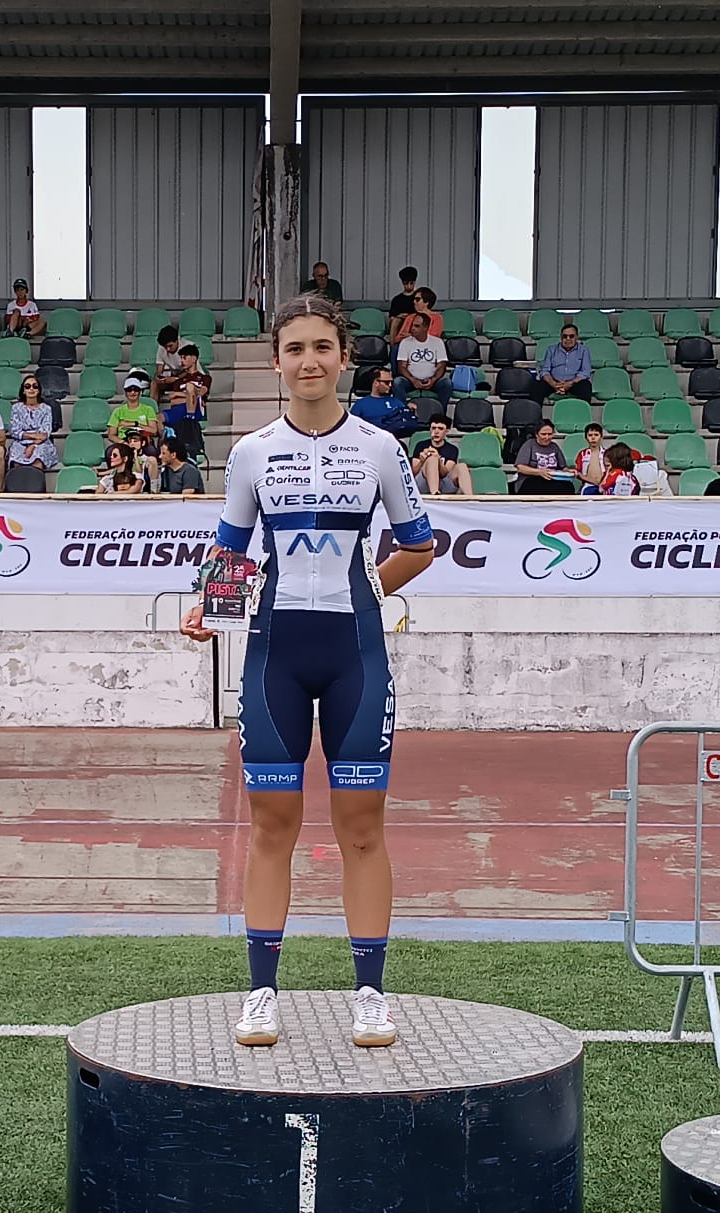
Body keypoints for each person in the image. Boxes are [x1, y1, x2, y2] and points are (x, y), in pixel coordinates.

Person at [180, 292, 437, 1048]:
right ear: (278, 363)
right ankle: (262, 994)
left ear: (343, 357)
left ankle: (370, 994)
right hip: (273, 656)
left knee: (362, 828)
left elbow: (420, 545)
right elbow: (229, 553)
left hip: (356, 655)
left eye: (322, 346)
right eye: (295, 349)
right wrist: (207, 606)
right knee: (271, 825)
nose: (309, 361)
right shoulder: (253, 453)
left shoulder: (380, 448)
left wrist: (367, 592)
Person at [160, 342, 212, 460]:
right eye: (181, 358)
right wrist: (189, 395)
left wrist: (184, 394)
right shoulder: (179, 381)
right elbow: (172, 400)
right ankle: (165, 447)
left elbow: (202, 392)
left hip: (196, 409)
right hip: (178, 410)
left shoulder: (205, 378)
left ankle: (190, 418)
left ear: (194, 359)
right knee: (158, 418)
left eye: (185, 357)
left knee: (189, 386)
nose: (182, 361)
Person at [349, 366, 419, 441]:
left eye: (391, 382)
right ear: (376, 383)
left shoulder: (397, 402)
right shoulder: (360, 405)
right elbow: (352, 427)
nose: (390, 385)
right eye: (386, 382)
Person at [6, 375, 59, 474]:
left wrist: (33, 445)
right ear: (23, 390)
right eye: (27, 386)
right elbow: (15, 431)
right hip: (20, 442)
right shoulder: (16, 408)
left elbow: (44, 434)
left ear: (39, 390)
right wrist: (34, 435)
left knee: (37, 459)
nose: (31, 389)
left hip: (41, 443)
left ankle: (36, 487)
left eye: (35, 386)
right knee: (16, 459)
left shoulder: (46, 408)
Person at [394, 312, 451, 405]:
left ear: (426, 328)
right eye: (412, 325)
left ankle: (440, 415)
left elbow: (442, 365)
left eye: (417, 326)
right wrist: (413, 380)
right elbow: (402, 367)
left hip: (432, 380)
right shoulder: (405, 342)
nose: (412, 328)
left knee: (446, 383)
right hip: (410, 380)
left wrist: (433, 380)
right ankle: (402, 414)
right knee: (397, 383)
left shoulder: (437, 342)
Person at [411, 416, 475, 495]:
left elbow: (445, 473)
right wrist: (422, 461)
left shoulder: (452, 449)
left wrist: (438, 459)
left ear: (447, 431)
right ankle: (435, 493)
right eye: (433, 428)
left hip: (444, 483)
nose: (436, 432)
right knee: (432, 460)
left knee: (462, 466)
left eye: (440, 429)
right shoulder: (420, 445)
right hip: (423, 483)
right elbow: (413, 472)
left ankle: (471, 498)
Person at [533, 323, 593, 402]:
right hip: (554, 382)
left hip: (574, 383)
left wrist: (569, 383)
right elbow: (545, 371)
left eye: (571, 336)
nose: (568, 339)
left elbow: (585, 372)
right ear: (561, 337)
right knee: (537, 387)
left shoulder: (584, 350)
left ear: (577, 337)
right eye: (565, 336)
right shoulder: (551, 350)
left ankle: (583, 413)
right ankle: (534, 413)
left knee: (585, 386)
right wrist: (554, 384)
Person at [514, 420, 572, 494]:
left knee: (568, 486)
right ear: (536, 434)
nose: (547, 437)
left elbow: (563, 467)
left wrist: (568, 472)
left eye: (549, 434)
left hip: (552, 480)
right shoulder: (529, 445)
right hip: (532, 480)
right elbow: (520, 468)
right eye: (543, 434)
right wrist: (539, 472)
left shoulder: (554, 446)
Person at [385, 266, 420, 343]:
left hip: (415, 324)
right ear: (402, 283)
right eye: (406, 283)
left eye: (411, 283)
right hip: (400, 326)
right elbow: (392, 319)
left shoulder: (419, 297)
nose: (409, 286)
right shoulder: (397, 300)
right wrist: (399, 317)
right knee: (396, 320)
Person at [574, 422, 609, 487]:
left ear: (601, 437)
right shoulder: (582, 454)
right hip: (587, 486)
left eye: (596, 435)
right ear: (586, 438)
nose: (593, 438)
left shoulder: (608, 453)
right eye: (590, 435)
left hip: (605, 486)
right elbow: (577, 473)